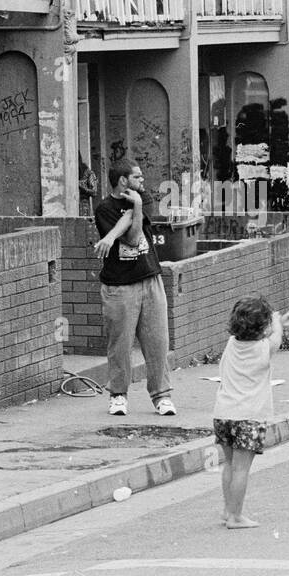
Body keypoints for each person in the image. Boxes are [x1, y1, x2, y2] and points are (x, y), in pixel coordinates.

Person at [92, 159, 177, 417]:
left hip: (149, 278)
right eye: (137, 177)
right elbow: (130, 236)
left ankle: (162, 396)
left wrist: (135, 207)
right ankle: (118, 396)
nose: (142, 181)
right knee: (120, 344)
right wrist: (116, 229)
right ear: (123, 180)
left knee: (158, 341)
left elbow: (136, 230)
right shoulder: (104, 209)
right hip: (119, 286)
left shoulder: (143, 198)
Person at [212, 296, 289, 529]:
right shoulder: (263, 348)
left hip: (223, 412)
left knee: (229, 465)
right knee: (242, 468)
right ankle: (236, 517)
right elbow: (276, 336)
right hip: (248, 416)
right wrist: (279, 321)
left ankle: (227, 509)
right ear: (263, 328)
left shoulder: (232, 342)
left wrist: (278, 320)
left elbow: (268, 331)